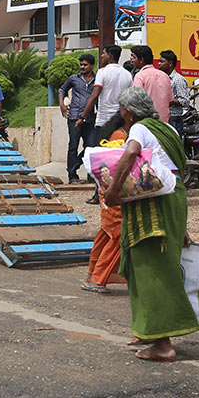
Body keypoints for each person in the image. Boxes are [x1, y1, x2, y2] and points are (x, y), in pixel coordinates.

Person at [102, 86, 198, 362]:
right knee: (139, 264)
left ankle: (163, 343)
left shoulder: (139, 129)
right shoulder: (168, 129)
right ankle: (147, 329)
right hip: (174, 200)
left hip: (155, 204)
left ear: (129, 113)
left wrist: (112, 190)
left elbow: (130, 153)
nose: (121, 115)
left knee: (151, 268)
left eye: (122, 110)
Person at [78, 46, 133, 204]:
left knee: (101, 160)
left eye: (103, 53)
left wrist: (82, 116)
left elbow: (95, 94)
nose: (101, 55)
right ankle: (120, 193)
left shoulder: (102, 72)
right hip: (121, 121)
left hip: (103, 121)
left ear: (110, 55)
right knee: (118, 158)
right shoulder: (127, 74)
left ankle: (99, 195)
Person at [81, 126, 128, 294]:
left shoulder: (120, 132)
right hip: (113, 191)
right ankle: (97, 278)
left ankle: (91, 275)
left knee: (107, 233)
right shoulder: (120, 135)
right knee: (117, 233)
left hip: (110, 191)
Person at [59, 54, 97, 183]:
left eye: (85, 65)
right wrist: (62, 105)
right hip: (74, 117)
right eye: (81, 64)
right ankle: (72, 175)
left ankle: (75, 167)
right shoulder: (74, 78)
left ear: (92, 66)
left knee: (91, 146)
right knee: (73, 146)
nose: (82, 67)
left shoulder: (97, 79)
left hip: (90, 118)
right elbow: (62, 90)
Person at [130, 45, 172, 124]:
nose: (132, 59)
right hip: (164, 123)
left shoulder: (140, 76)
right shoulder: (164, 76)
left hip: (147, 123)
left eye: (134, 57)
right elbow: (169, 100)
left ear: (141, 60)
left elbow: (136, 100)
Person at [158, 50, 190, 136]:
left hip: (174, 119)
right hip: (162, 117)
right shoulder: (161, 78)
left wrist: (169, 101)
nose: (159, 64)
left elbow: (185, 101)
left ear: (170, 64)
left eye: (162, 61)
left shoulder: (178, 79)